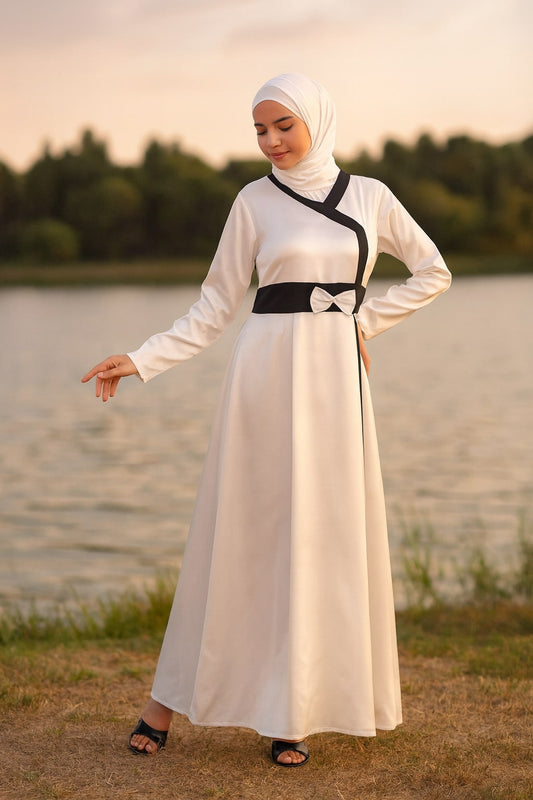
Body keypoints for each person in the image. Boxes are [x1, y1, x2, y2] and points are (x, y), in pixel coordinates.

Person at [82, 73, 451, 767]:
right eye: (259, 129)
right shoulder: (253, 201)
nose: (270, 141)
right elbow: (215, 305)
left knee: (319, 537)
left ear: (315, 120)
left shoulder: (370, 197)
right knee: (238, 533)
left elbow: (432, 271)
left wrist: (360, 322)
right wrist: (139, 358)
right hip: (262, 377)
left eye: (282, 125)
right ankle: (163, 702)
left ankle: (294, 712)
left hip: (335, 380)